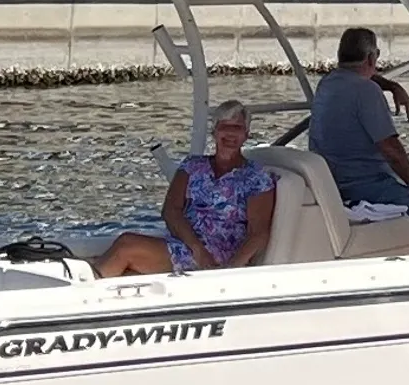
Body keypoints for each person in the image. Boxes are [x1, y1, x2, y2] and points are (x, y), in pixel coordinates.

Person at [96, 99, 277, 276]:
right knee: (127, 270)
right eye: (224, 126)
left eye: (237, 128)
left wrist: (229, 271)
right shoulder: (192, 166)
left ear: (246, 134)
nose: (230, 133)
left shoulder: (256, 178)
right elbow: (171, 210)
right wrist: (196, 248)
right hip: (187, 246)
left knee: (126, 245)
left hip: (217, 257)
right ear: (214, 132)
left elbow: (258, 233)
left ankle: (80, 294)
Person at [309, 27, 409, 214]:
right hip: (363, 186)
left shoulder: (328, 82)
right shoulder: (367, 91)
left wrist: (391, 86)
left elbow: (359, 73)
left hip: (332, 181)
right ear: (371, 58)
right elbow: (391, 150)